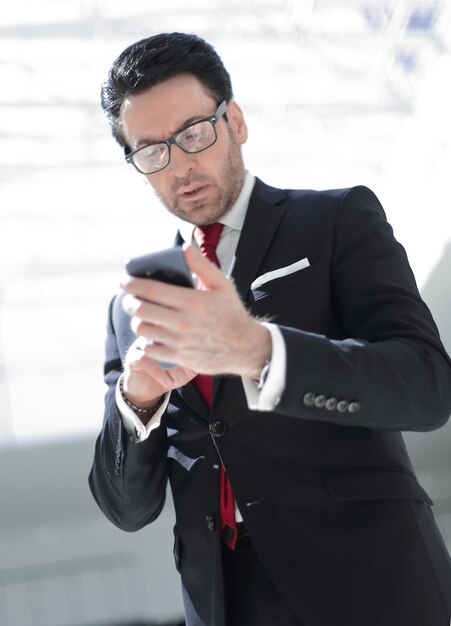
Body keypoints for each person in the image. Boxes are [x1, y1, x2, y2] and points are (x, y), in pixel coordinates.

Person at [89, 32, 451, 626]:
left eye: (193, 133)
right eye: (152, 151)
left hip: (369, 582)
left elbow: (428, 386)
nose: (180, 164)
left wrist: (260, 352)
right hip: (227, 602)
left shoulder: (336, 220)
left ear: (235, 120)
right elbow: (126, 508)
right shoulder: (130, 314)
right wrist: (138, 400)